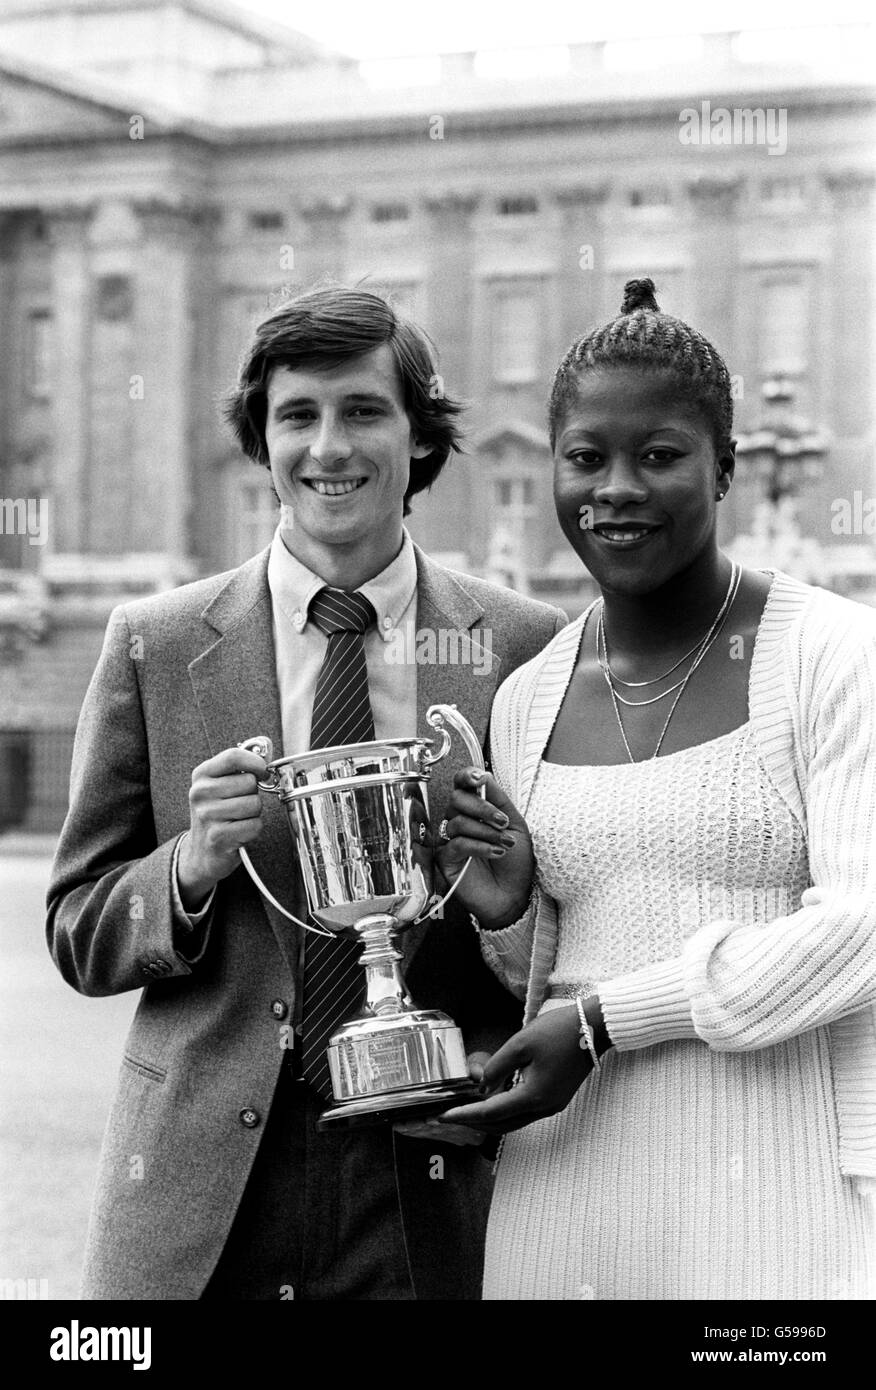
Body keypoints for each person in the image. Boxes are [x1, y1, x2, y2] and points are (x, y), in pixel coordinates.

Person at [46, 285, 565, 1300]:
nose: (329, 446)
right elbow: (76, 926)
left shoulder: (524, 647)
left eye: (364, 410)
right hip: (205, 1199)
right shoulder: (152, 644)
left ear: (420, 436)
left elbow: (573, 937)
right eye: (298, 416)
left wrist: (504, 902)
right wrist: (189, 868)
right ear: (262, 439)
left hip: (429, 1186)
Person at [437, 278, 876, 1300]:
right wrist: (506, 910)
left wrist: (605, 1022)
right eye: (586, 457)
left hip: (779, 1190)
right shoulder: (528, 697)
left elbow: (860, 929)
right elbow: (559, 962)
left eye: (661, 455)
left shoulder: (834, 654)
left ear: (725, 467)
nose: (617, 486)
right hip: (564, 1187)